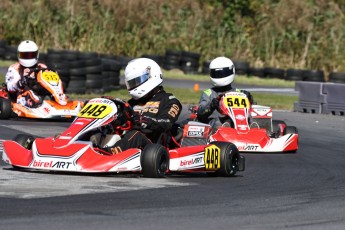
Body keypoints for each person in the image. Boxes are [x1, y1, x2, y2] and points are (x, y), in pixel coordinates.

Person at [103, 58, 182, 154]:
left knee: (137, 134)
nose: (134, 86)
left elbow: (166, 122)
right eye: (132, 83)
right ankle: (90, 148)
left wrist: (144, 121)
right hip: (128, 142)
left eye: (136, 81)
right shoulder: (131, 103)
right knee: (103, 128)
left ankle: (109, 153)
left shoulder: (170, 101)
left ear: (152, 76)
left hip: (153, 146)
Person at [197, 56, 253, 130]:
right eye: (217, 74)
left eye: (223, 73)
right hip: (214, 127)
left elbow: (250, 110)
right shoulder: (209, 93)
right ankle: (226, 127)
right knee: (218, 122)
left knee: (252, 120)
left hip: (239, 123)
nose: (220, 77)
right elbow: (200, 113)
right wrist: (211, 106)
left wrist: (250, 99)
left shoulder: (240, 93)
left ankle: (253, 129)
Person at [5, 40, 47, 108]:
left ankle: (59, 101)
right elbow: (10, 87)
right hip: (22, 95)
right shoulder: (14, 69)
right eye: (25, 55)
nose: (28, 57)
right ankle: (36, 102)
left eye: (31, 55)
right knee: (28, 91)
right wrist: (19, 83)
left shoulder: (42, 67)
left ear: (37, 54)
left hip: (40, 91)